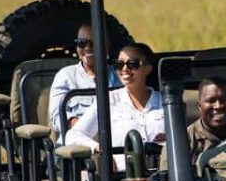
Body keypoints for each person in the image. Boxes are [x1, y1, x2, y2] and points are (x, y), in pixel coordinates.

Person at [65, 42, 164, 170]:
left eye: (132, 64)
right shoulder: (108, 101)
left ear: (148, 68)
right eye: (119, 64)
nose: (124, 69)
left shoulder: (165, 101)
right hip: (122, 179)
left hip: (164, 174)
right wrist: (98, 147)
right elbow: (73, 136)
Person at [47, 22, 120, 140]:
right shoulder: (66, 76)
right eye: (81, 43)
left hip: (115, 137)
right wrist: (87, 131)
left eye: (94, 43)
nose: (87, 48)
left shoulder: (120, 75)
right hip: (78, 143)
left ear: (107, 45)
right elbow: (57, 116)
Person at [162, 76, 226, 171]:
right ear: (200, 106)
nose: (218, 106)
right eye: (211, 101)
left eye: (224, 100)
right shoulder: (181, 143)